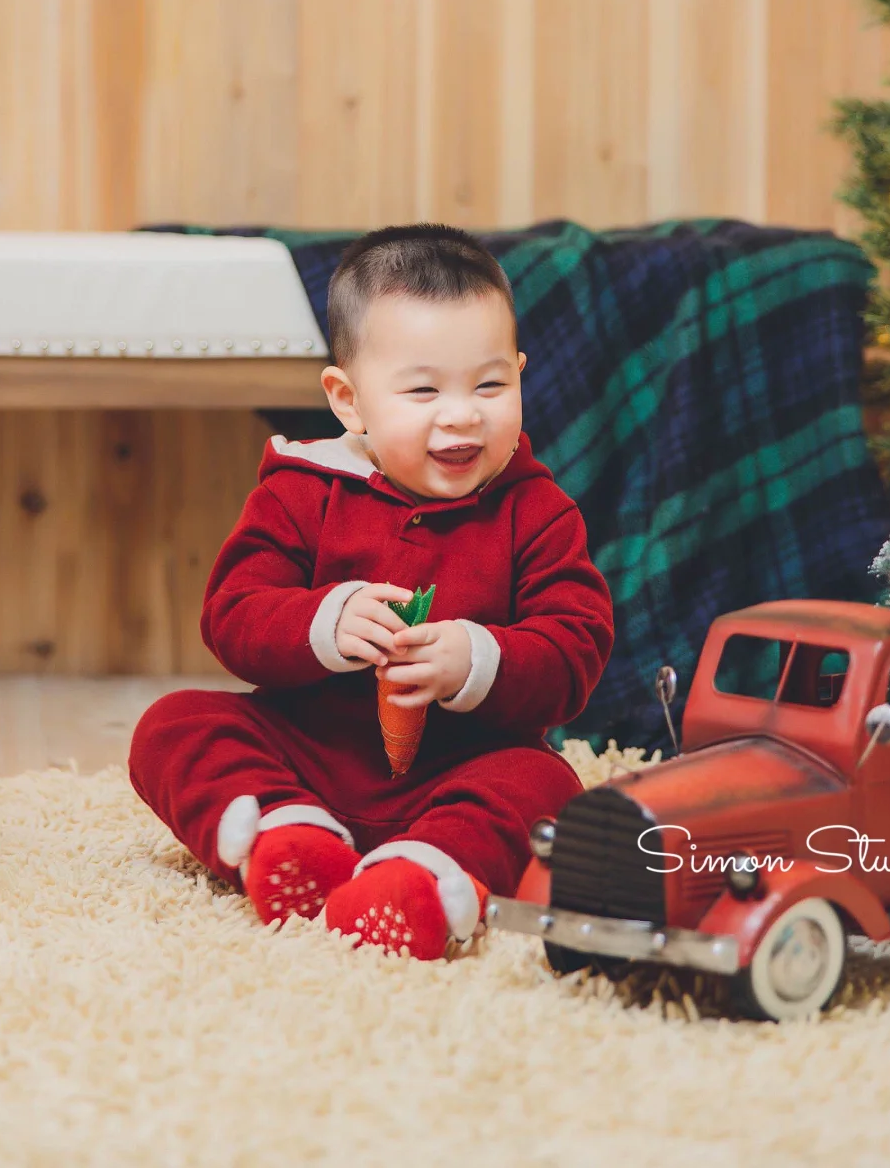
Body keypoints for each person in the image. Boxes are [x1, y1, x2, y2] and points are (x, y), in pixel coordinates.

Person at [129, 222, 615, 961]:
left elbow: (576, 647)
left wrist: (478, 658)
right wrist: (324, 621)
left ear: (520, 374)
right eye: (422, 390)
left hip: (462, 766)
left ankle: (420, 873)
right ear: (349, 401)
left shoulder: (537, 511)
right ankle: (285, 832)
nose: (461, 414)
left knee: (548, 783)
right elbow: (232, 614)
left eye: (491, 384)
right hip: (306, 751)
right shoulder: (303, 490)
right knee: (173, 724)